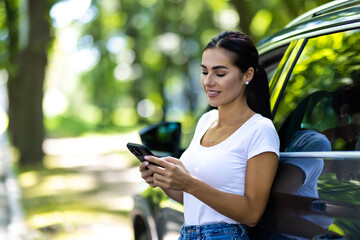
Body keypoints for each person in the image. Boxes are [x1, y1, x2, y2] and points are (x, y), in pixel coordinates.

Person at [139, 31, 280, 240]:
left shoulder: (259, 130)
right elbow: (196, 201)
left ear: (247, 75)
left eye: (220, 74)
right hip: (188, 233)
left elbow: (252, 214)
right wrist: (164, 181)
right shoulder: (206, 121)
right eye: (204, 72)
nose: (208, 82)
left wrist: (189, 183)